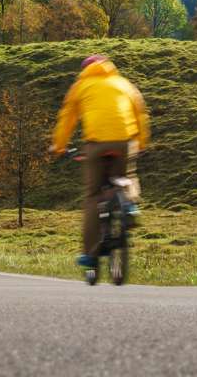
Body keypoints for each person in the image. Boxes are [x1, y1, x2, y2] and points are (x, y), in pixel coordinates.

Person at [51, 54, 149, 268]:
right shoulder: (123, 83)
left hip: (97, 144)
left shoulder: (81, 85)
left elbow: (67, 117)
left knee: (93, 196)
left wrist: (59, 146)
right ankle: (130, 205)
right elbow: (140, 112)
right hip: (125, 141)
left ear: (85, 69)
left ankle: (90, 254)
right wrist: (141, 142)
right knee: (126, 176)